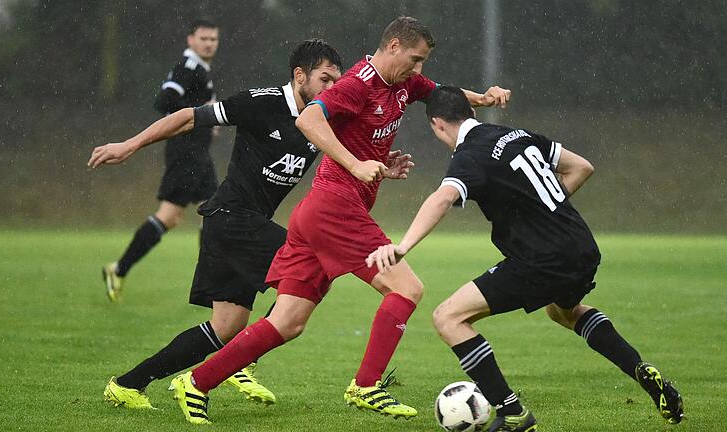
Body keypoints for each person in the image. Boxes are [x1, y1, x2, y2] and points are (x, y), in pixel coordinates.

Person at [165, 17, 511, 425]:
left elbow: (445, 97)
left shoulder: (405, 83)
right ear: (394, 46)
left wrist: (484, 100)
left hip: (319, 213)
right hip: (334, 206)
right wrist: (355, 163)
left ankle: (197, 382)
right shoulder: (357, 83)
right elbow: (308, 120)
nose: (419, 70)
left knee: (287, 322)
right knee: (408, 288)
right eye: (415, 59)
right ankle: (366, 386)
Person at [90, 40, 411, 412]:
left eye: (336, 81)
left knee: (224, 327)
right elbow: (188, 117)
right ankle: (245, 361)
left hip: (241, 225)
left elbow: (352, 150)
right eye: (324, 79)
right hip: (230, 217)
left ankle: (129, 384)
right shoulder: (261, 102)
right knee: (308, 261)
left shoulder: (324, 118)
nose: (331, 88)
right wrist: (130, 145)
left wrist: (381, 167)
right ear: (299, 75)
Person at [365, 86, 685, 431]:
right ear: (470, 113)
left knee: (448, 318)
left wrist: (402, 246)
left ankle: (512, 411)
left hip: (541, 258)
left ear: (437, 124)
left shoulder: (469, 155)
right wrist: (540, 207)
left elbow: (442, 199)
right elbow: (581, 167)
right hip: (580, 245)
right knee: (563, 311)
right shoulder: (514, 134)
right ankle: (639, 368)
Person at [101, 19, 220, 302]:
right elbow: (164, 101)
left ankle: (210, 282)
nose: (209, 43)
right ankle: (118, 268)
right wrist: (198, 113)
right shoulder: (188, 68)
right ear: (190, 40)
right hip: (185, 153)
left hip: (197, 154)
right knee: (173, 216)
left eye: (213, 39)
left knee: (215, 212)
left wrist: (207, 120)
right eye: (203, 38)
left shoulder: (201, 70)